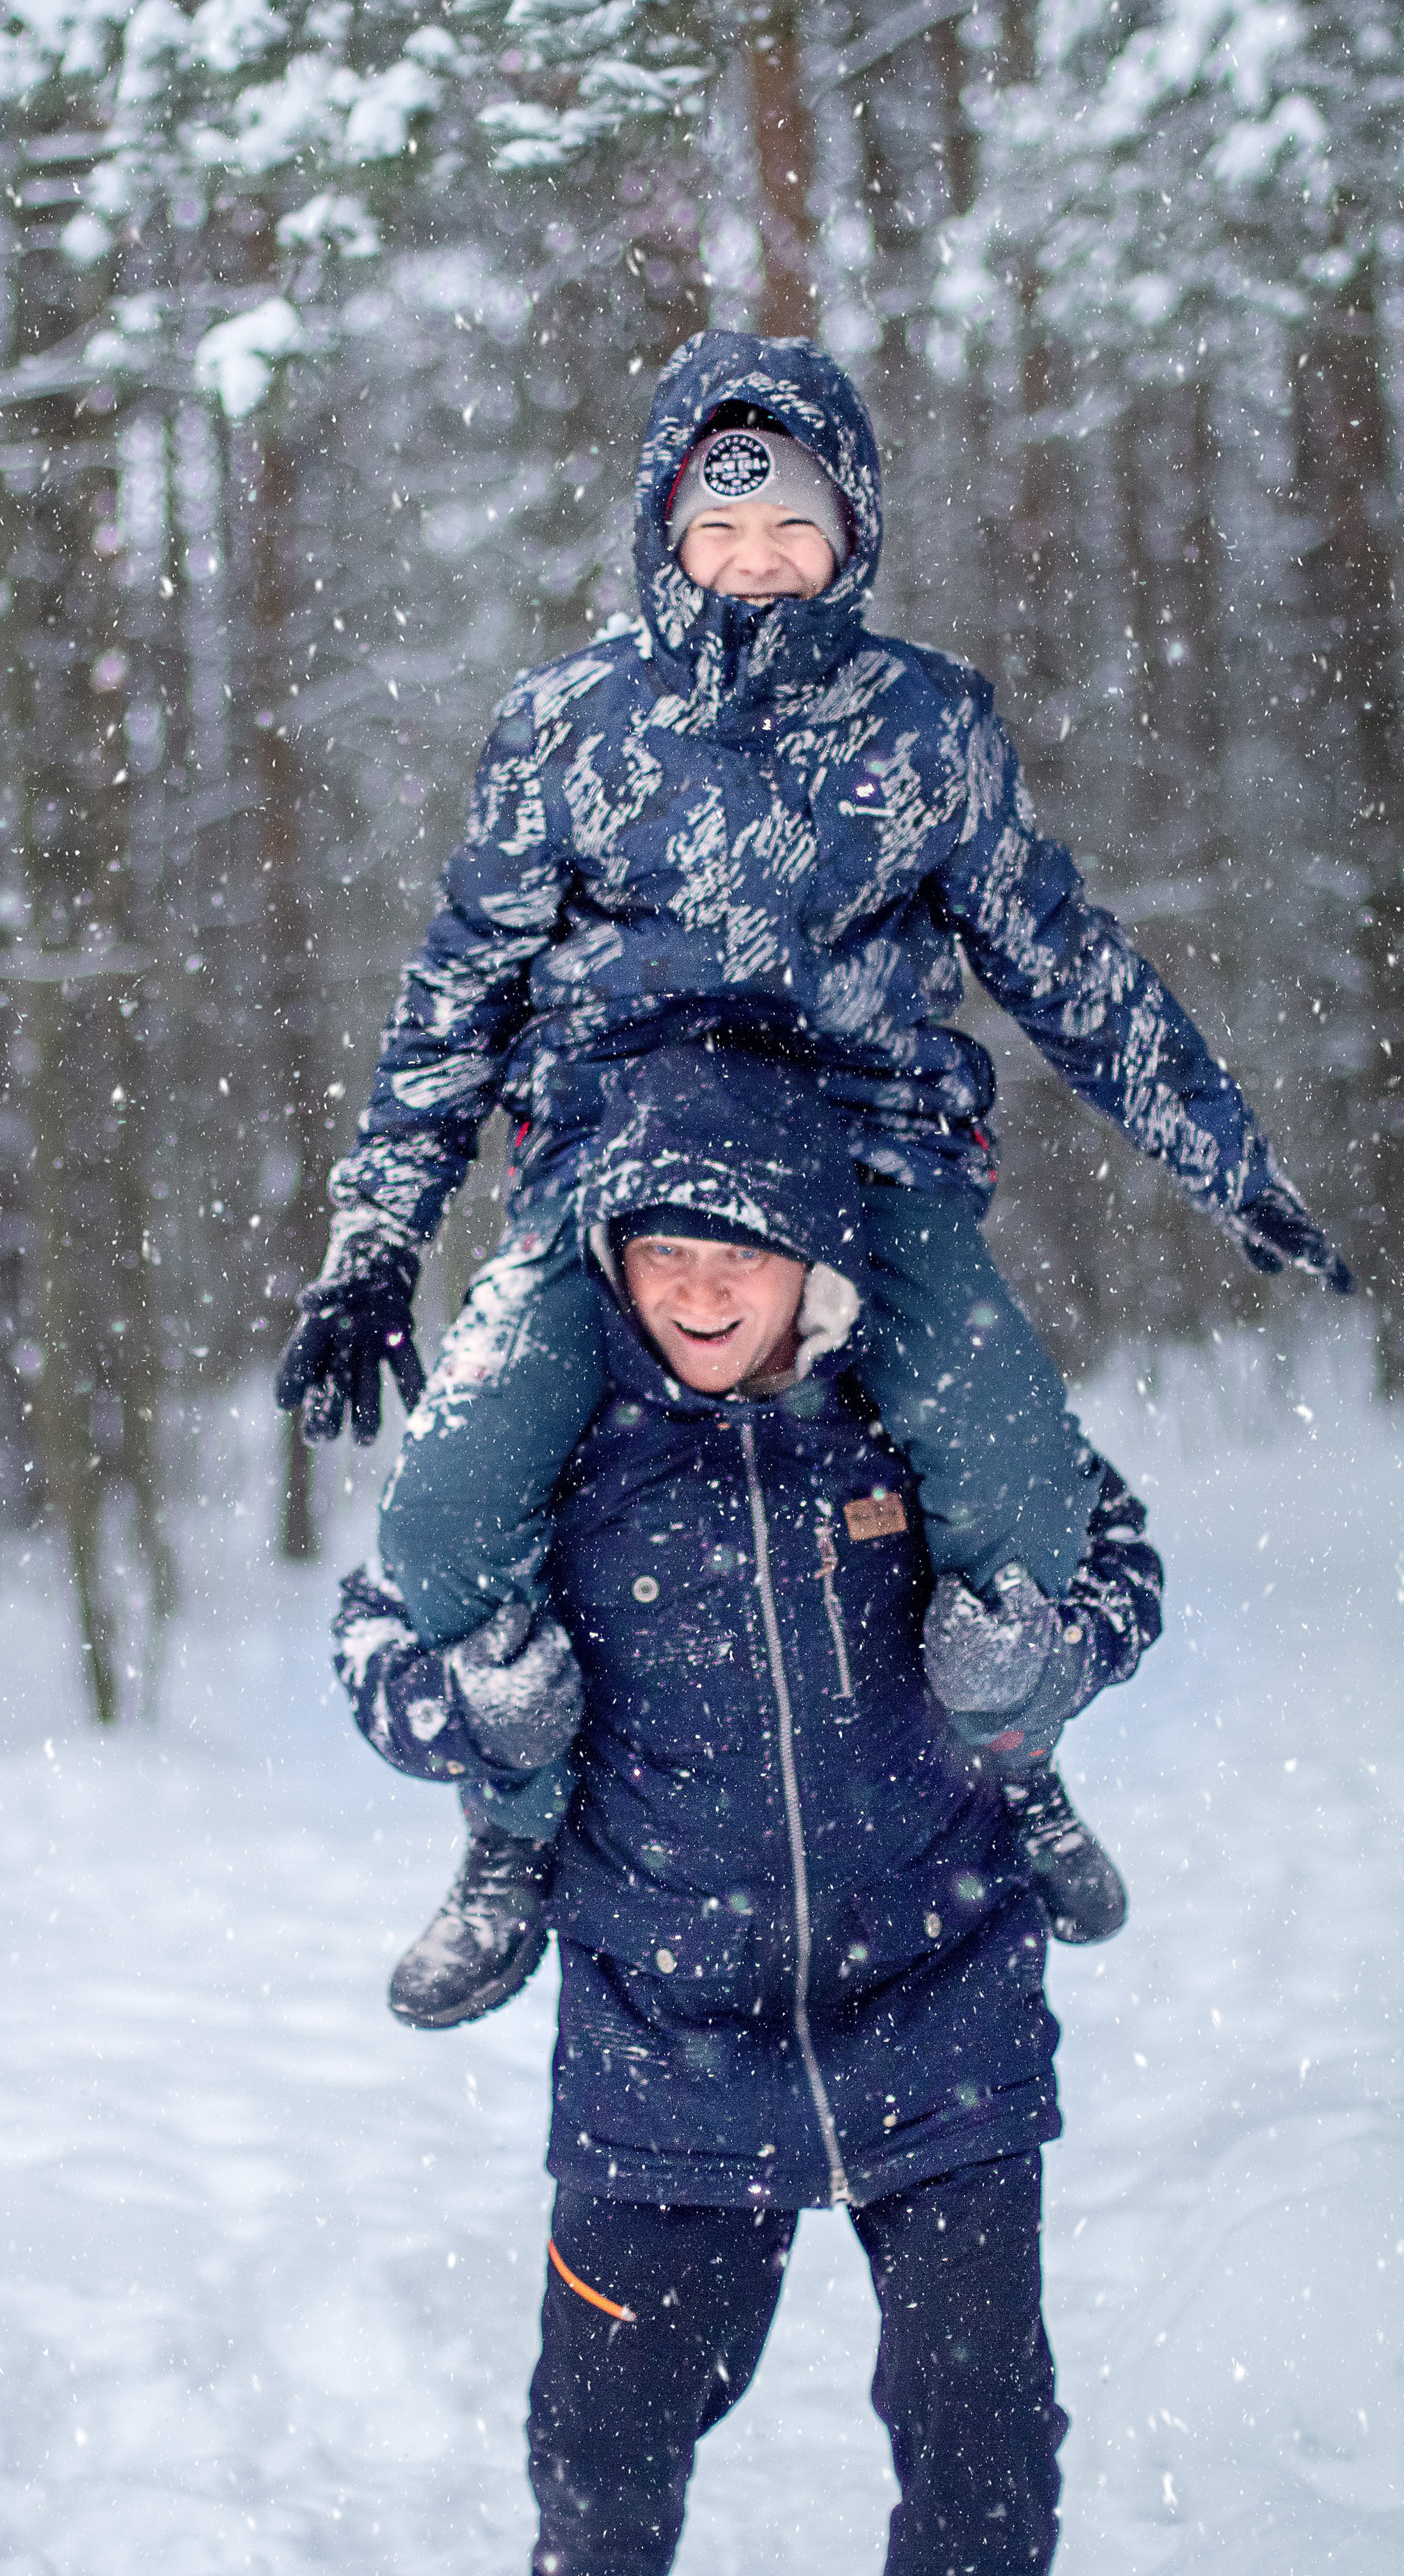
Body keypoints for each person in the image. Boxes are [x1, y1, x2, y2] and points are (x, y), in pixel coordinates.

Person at [280, 329, 1348, 2025]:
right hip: (613, 1171)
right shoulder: (567, 729)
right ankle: (508, 1835)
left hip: (866, 1152)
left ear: (850, 535)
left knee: (999, 1439)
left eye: (792, 534)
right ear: (662, 535)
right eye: (721, 534)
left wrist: (1221, 1158)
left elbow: (1056, 963)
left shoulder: (926, 726)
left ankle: (1015, 1761)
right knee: (458, 1478)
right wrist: (369, 1247)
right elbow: (453, 999)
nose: (756, 569)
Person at [334, 1048, 1164, 2576]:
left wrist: (1049, 1652)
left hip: (941, 1995)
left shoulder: (909, 1422)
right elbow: (376, 1629)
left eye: (739, 1256)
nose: (701, 1294)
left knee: (980, 2459)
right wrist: (463, 1710)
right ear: (610, 1258)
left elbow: (1111, 1552)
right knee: (595, 2466)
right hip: (664, 2040)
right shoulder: (566, 1440)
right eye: (663, 1254)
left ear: (813, 1258)